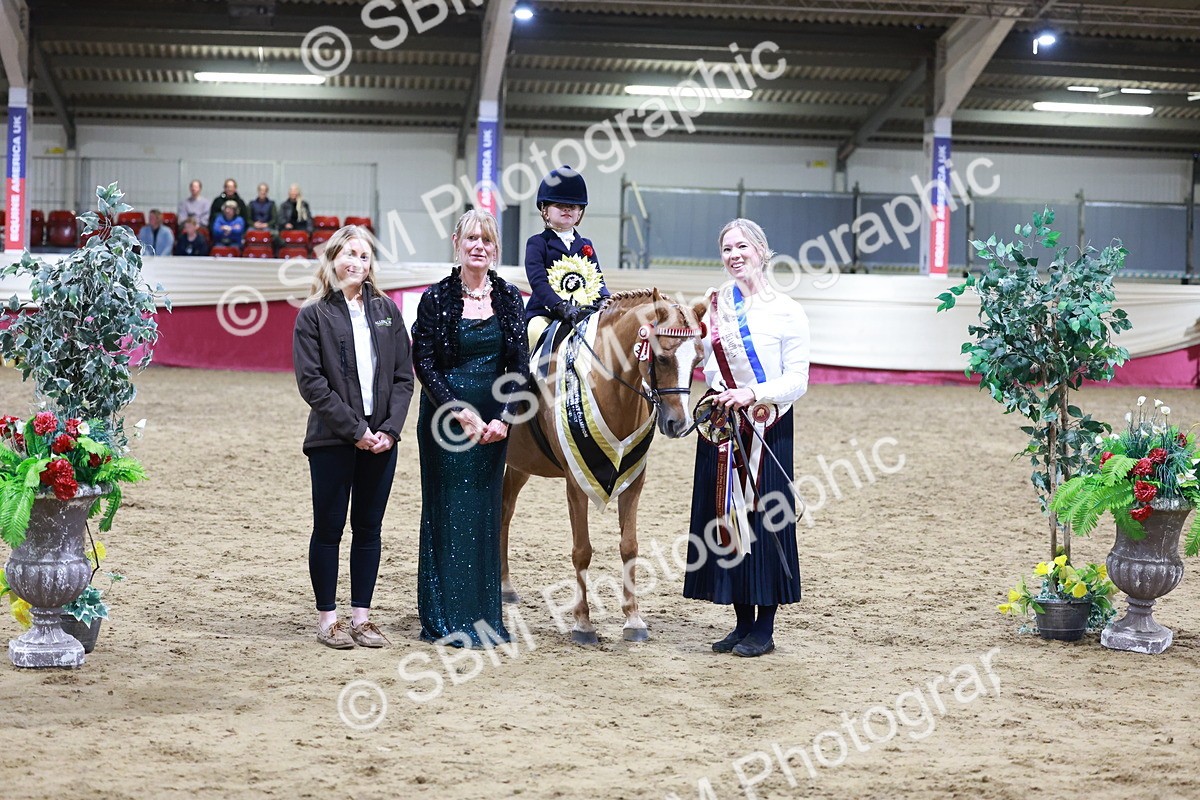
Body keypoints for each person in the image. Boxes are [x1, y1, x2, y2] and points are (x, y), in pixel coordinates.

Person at [683, 218, 810, 658]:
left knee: (763, 518)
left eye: (742, 247)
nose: (735, 255)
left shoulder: (788, 310)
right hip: (723, 425)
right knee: (725, 517)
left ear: (761, 249)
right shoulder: (713, 304)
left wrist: (753, 392)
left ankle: (765, 627)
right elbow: (698, 356)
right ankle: (740, 623)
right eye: (727, 249)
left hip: (768, 426)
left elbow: (798, 379)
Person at [293, 225, 415, 649]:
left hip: (381, 442)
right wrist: (356, 430)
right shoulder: (313, 314)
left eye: (363, 256)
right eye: (348, 254)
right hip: (332, 439)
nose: (356, 263)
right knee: (328, 528)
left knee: (369, 529)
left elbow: (404, 378)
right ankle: (328, 618)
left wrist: (388, 431)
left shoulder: (386, 311)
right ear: (332, 260)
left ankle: (361, 617)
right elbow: (312, 383)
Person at [411, 209, 529, 647]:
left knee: (484, 514)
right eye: (471, 238)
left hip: (493, 426)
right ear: (456, 243)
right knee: (446, 511)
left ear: (495, 249)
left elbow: (519, 366)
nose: (479, 245)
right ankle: (443, 616)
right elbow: (424, 362)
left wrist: (504, 418)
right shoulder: (436, 298)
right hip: (446, 421)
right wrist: (459, 411)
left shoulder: (510, 298)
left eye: (487, 240)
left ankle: (483, 618)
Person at [524, 166, 608, 346]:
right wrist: (559, 305)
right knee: (533, 331)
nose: (567, 209)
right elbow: (538, 282)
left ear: (579, 213)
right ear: (545, 210)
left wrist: (605, 300)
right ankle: (527, 373)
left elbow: (597, 279)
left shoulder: (586, 245)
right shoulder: (537, 243)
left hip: (583, 313)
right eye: (560, 205)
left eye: (573, 206)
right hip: (546, 313)